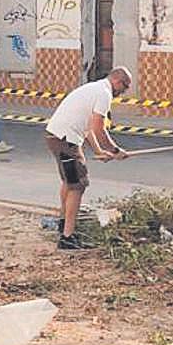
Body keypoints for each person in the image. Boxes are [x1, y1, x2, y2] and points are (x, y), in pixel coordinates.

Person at [43, 67, 132, 250]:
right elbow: (99, 128)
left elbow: (89, 127)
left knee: (69, 181)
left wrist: (99, 151)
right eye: (125, 87)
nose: (123, 92)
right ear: (117, 80)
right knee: (78, 185)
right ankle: (67, 237)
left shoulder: (95, 89)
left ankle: (63, 222)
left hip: (57, 137)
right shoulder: (105, 94)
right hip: (66, 141)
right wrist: (115, 150)